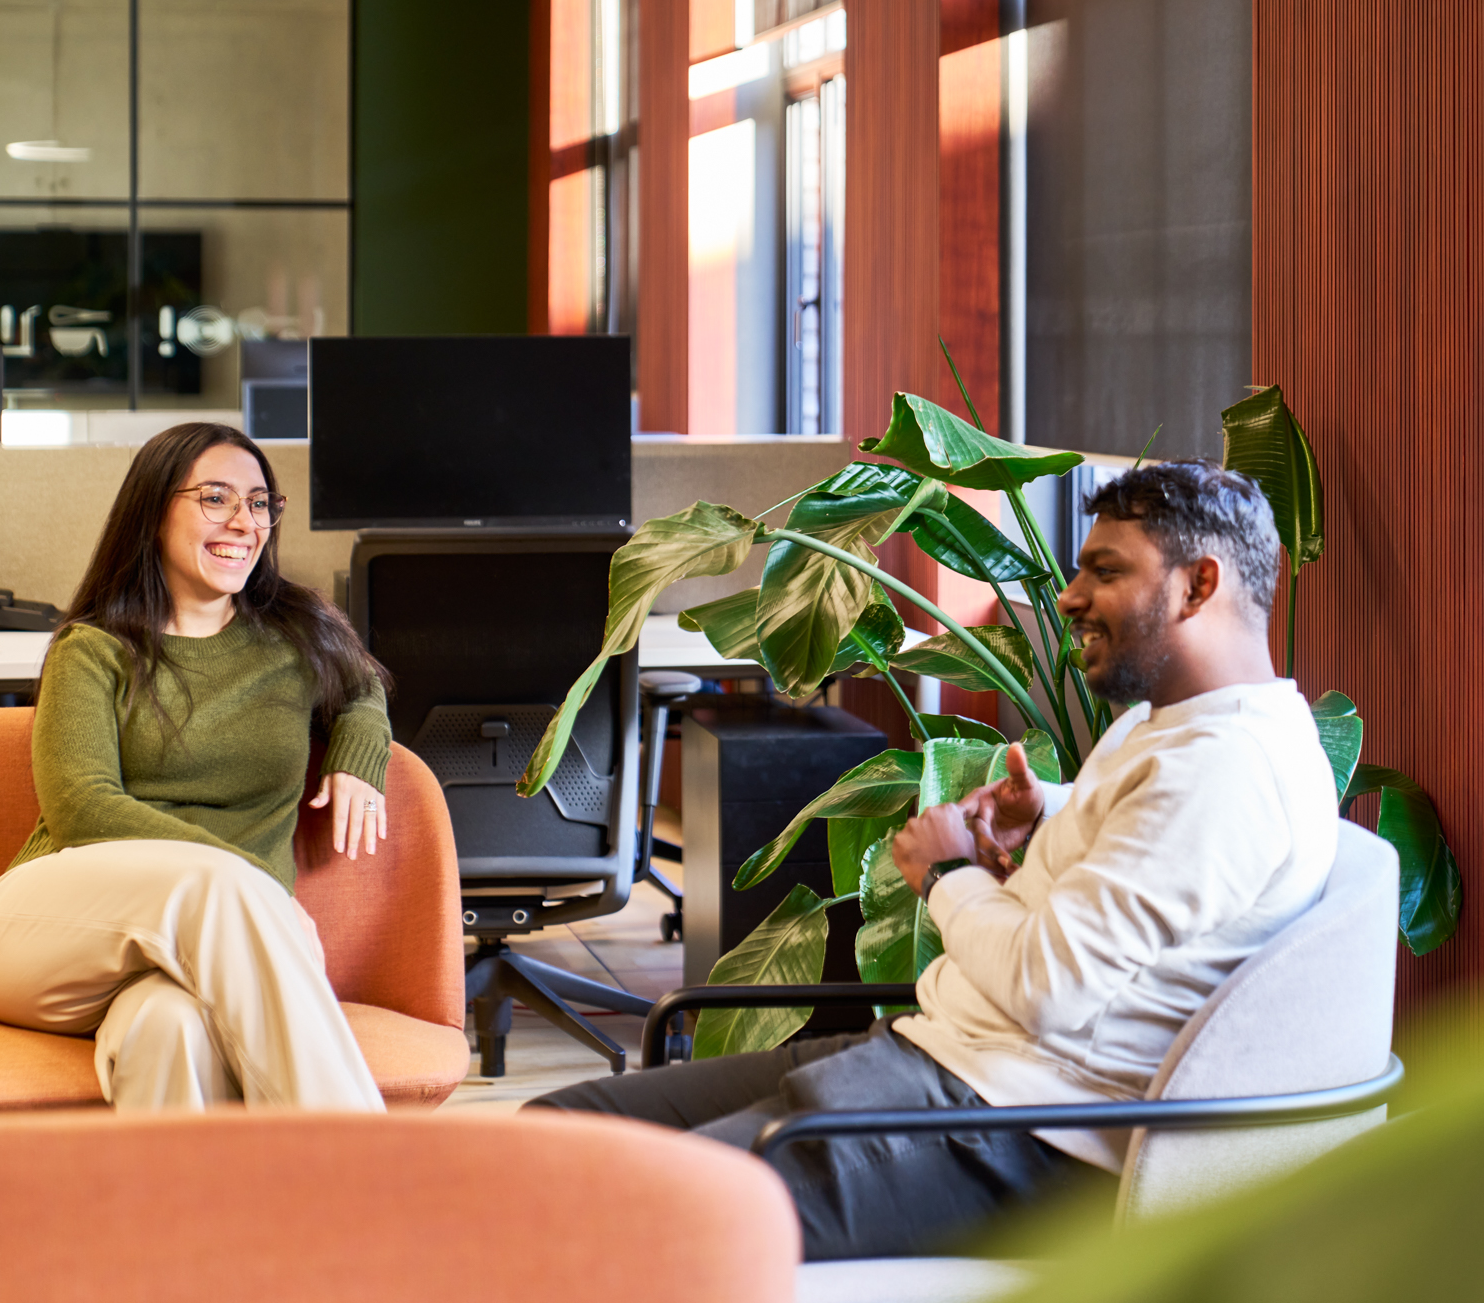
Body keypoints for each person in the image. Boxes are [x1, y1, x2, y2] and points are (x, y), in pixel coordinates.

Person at [531, 461, 1342, 1258]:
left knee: (611, 1216)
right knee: (552, 1143)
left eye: (1107, 571)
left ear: (1199, 586)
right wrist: (1050, 811)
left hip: (1014, 1132)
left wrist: (946, 875)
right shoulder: (1172, 726)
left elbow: (1048, 987)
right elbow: (1152, 845)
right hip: (942, 1062)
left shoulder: (1225, 769)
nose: (1069, 597)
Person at [0, 422, 395, 1111]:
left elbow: (363, 686)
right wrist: (252, 888)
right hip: (48, 934)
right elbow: (83, 807)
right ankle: (372, 1185)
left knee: (170, 1031)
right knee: (218, 887)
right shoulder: (93, 649)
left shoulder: (297, 636)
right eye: (216, 498)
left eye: (259, 503)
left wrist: (359, 751)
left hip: (193, 956)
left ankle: (186, 1218)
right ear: (153, 508)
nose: (243, 522)